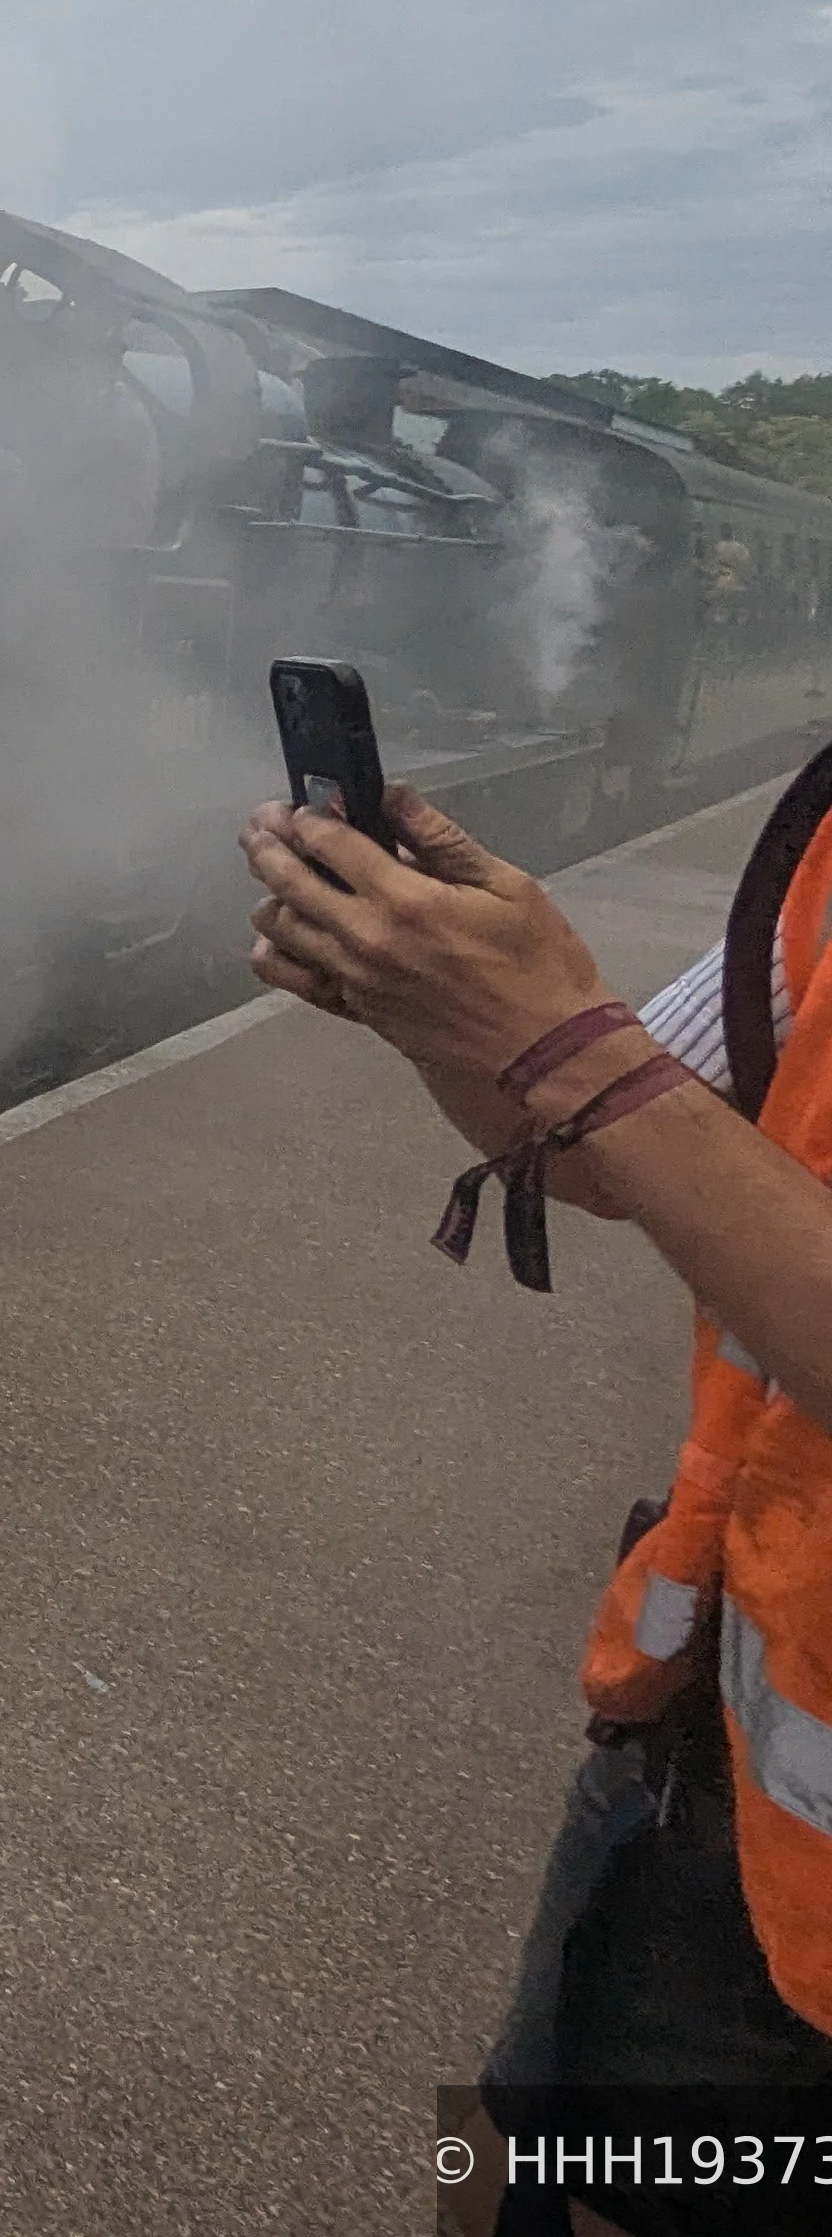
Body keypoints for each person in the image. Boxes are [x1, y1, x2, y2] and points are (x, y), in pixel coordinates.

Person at [243, 765, 832, 2229]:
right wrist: (446, 1015)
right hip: (709, 1755)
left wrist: (563, 1051)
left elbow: (604, 1086)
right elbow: (637, 1152)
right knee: (521, 2167)